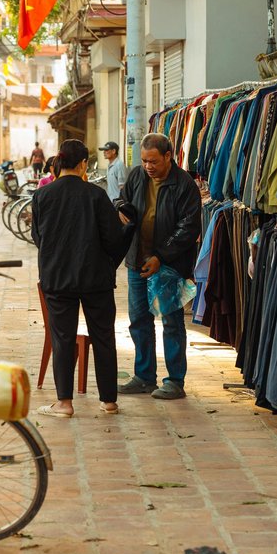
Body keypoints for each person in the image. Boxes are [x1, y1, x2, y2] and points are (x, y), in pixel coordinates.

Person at [31, 138, 125, 418]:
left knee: (62, 338)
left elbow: (38, 238)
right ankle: (108, 401)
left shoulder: (42, 196)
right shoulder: (96, 195)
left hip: (58, 278)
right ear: (84, 164)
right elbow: (113, 239)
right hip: (96, 279)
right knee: (104, 336)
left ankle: (64, 403)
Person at [117, 133, 201, 400]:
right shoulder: (137, 176)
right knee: (139, 320)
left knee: (171, 322)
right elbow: (121, 199)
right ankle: (144, 377)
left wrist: (161, 257)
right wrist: (121, 209)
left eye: (153, 161)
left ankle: (175, 380)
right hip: (137, 261)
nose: (148, 166)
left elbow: (188, 228)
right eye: (144, 161)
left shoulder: (184, 184)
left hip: (169, 266)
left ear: (168, 156)